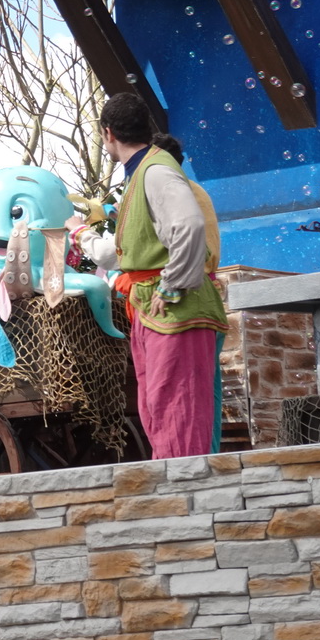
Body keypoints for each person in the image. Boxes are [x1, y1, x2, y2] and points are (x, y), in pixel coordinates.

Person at [65, 93, 227, 458]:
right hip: (155, 309)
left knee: (178, 407)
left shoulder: (156, 170)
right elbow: (124, 254)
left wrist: (171, 285)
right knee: (160, 406)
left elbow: (187, 226)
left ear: (108, 134)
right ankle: (178, 496)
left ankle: (187, 497)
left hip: (175, 309)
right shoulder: (142, 175)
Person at [151, 132, 225, 454]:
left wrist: (166, 288)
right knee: (208, 392)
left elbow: (184, 237)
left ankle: (192, 466)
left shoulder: (169, 192)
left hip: (183, 301)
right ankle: (209, 457)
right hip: (208, 297)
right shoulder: (196, 191)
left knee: (181, 396)